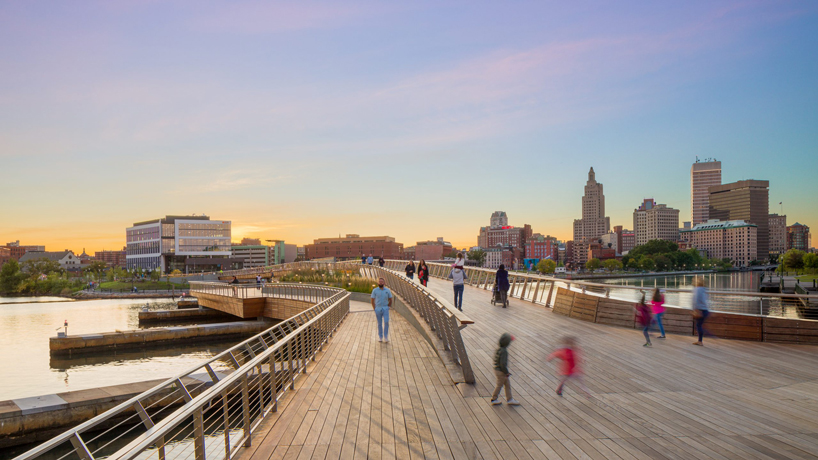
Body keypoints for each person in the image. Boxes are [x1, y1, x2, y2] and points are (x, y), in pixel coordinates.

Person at [490, 333, 520, 405]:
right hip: (501, 371)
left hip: (497, 370)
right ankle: (494, 398)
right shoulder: (504, 351)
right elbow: (502, 364)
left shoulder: (499, 349)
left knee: (507, 384)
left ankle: (509, 399)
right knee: (499, 385)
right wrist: (506, 372)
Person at [370, 277, 393, 342]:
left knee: (386, 322)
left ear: (384, 283)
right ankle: (380, 337)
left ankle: (386, 336)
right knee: (379, 323)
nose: (381, 282)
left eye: (382, 282)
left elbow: (390, 299)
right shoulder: (375, 290)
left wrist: (388, 306)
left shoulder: (387, 290)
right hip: (378, 308)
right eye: (379, 281)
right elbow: (372, 300)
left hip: (385, 308)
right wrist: (375, 308)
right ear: (378, 283)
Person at [692, 277, 710, 346]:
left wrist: (694, 309)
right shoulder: (704, 289)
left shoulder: (697, 289)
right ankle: (700, 340)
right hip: (705, 310)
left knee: (698, 325)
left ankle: (700, 341)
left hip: (700, 310)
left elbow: (695, 300)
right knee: (700, 325)